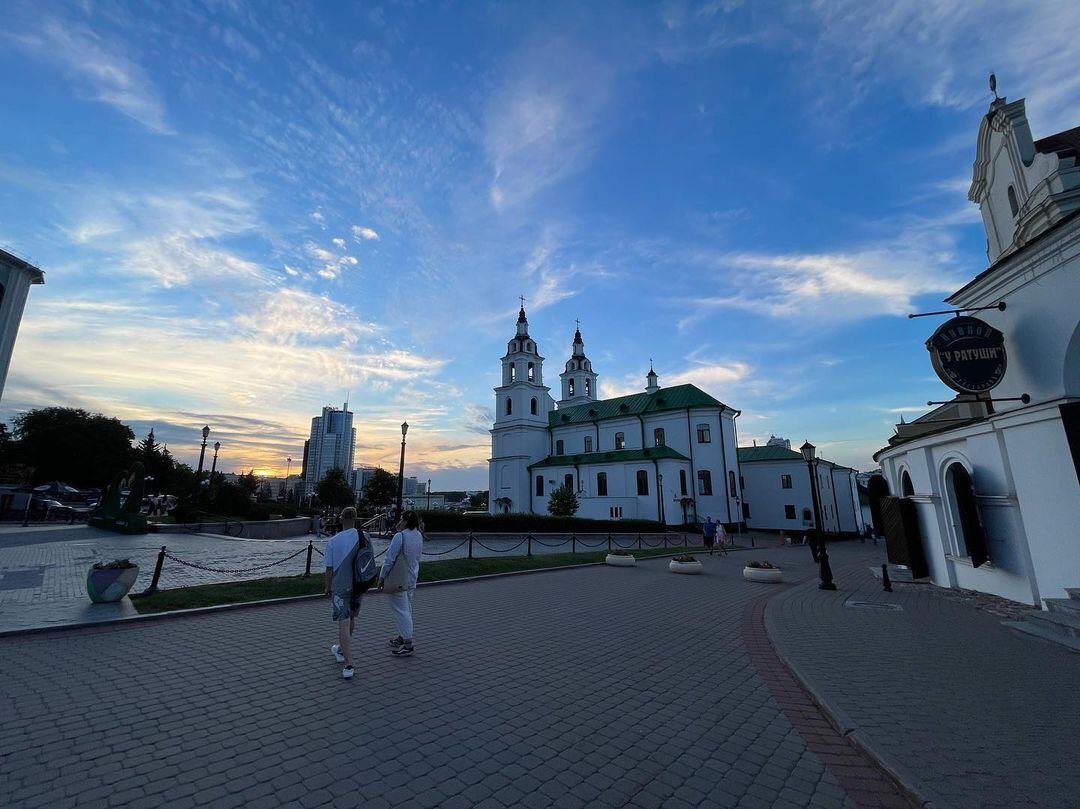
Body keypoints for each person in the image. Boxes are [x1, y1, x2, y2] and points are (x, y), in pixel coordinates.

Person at [322, 507, 362, 679]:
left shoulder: (334, 540)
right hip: (359, 585)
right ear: (355, 518)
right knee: (351, 619)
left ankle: (349, 663)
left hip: (340, 586)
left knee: (343, 623)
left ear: (341, 519)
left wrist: (327, 587)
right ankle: (340, 650)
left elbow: (329, 568)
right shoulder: (364, 536)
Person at [378, 510, 423, 657]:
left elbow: (389, 559)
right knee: (406, 608)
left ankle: (408, 643)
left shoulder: (400, 536)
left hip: (398, 579)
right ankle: (402, 636)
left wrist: (382, 577)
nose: (399, 521)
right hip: (411, 576)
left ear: (405, 521)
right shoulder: (418, 535)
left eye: (401, 519)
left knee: (400, 610)